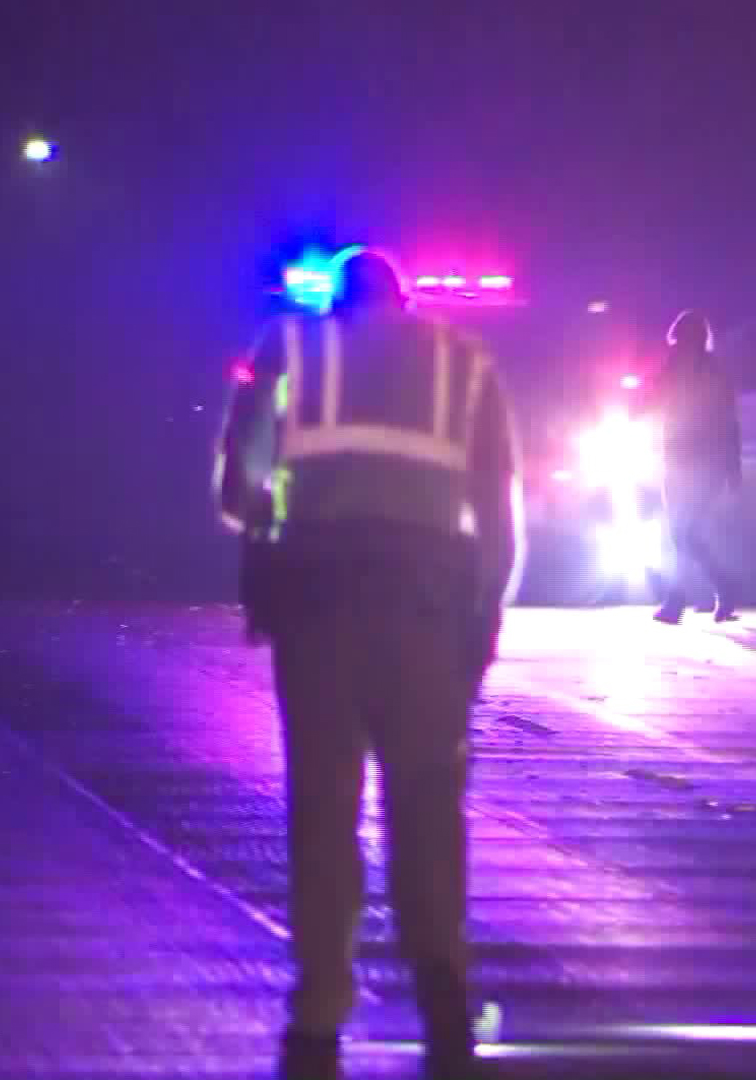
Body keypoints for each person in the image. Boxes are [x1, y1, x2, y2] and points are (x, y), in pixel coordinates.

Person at [214, 248, 521, 1080]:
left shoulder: (291, 347)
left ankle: (317, 1020)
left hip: (319, 615)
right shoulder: (464, 362)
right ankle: (447, 1011)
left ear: (338, 304)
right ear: (406, 302)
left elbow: (239, 484)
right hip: (428, 617)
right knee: (426, 812)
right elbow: (497, 506)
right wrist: (483, 614)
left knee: (324, 813)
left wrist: (274, 526)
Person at [649, 309, 742, 623]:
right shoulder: (676, 369)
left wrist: (732, 467)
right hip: (680, 462)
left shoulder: (710, 374)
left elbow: (728, 423)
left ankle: (681, 599)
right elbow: (652, 401)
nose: (681, 345)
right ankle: (720, 589)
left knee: (684, 531)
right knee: (681, 533)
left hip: (702, 463)